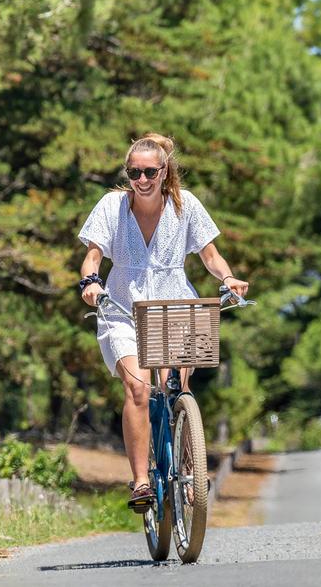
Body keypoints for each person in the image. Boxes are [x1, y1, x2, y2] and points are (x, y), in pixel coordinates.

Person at [77, 133, 249, 510]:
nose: (142, 180)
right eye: (134, 172)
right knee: (138, 388)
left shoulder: (186, 205)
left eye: (150, 172)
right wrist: (90, 282)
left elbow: (210, 255)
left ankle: (188, 467)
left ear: (164, 171)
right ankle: (141, 481)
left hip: (174, 307)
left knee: (178, 388)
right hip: (123, 308)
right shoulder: (111, 206)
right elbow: (93, 256)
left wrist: (228, 278)